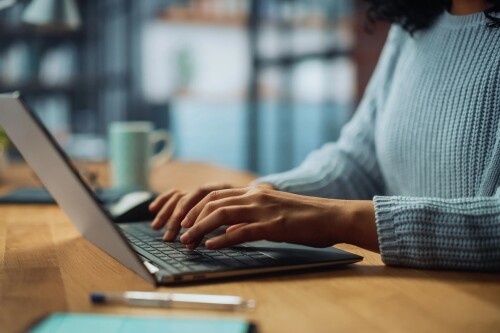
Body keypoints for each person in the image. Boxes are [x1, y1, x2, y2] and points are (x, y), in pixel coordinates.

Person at [149, 0, 500, 271]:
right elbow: (358, 160)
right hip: (401, 291)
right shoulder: (414, 27)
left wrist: (337, 218)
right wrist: (264, 195)